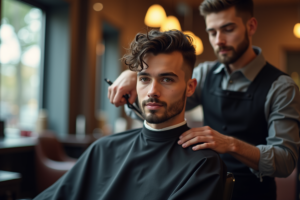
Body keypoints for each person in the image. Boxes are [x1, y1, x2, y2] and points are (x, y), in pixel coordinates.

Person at [107, 0, 300, 199]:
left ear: (251, 26)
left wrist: (231, 144)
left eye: (228, 29)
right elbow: (163, 105)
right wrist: (137, 75)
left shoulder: (281, 86)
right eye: (212, 32)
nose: (219, 41)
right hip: (207, 188)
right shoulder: (206, 73)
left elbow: (285, 160)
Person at [34, 30, 226, 200]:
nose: (152, 91)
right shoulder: (103, 149)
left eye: (166, 79)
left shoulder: (203, 164)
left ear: (190, 87)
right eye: (144, 78)